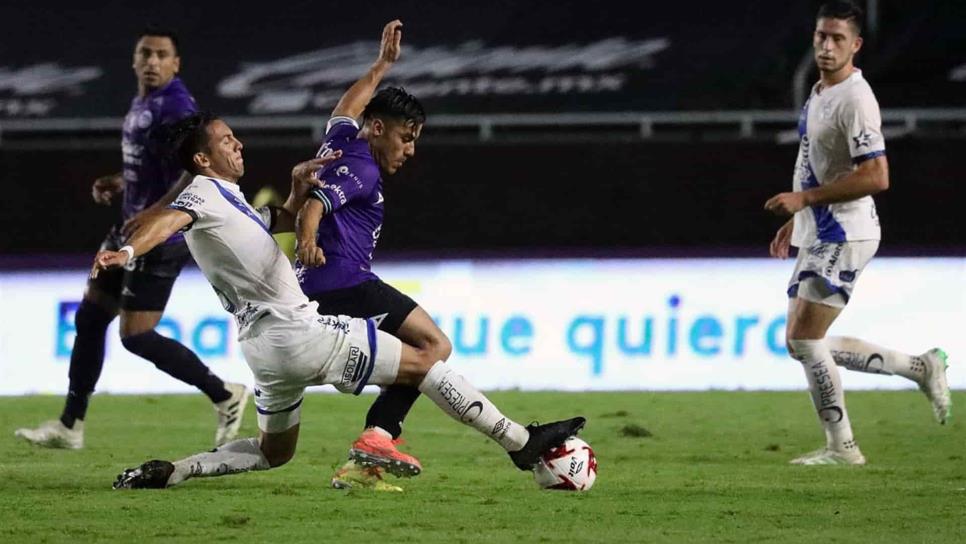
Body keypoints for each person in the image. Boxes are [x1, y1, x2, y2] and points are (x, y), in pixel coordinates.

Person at [104, 112, 585, 490]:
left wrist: (293, 196)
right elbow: (167, 220)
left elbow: (273, 220)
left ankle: (177, 470)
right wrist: (127, 251)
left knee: (275, 453)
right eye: (227, 141)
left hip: (263, 350)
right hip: (298, 332)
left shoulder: (227, 200)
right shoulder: (202, 194)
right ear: (203, 160)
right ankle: (521, 443)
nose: (239, 144)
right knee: (425, 358)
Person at [15, 28, 248, 450]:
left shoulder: (177, 105)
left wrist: (158, 211)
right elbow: (158, 164)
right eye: (146, 54)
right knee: (89, 318)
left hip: (158, 237)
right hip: (127, 225)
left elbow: (194, 169)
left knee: (136, 335)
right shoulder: (145, 101)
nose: (153, 62)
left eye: (162, 55)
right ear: (134, 60)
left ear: (176, 64)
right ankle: (70, 426)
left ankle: (225, 393)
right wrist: (123, 181)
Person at [764, 1, 951, 466]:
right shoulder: (820, 90)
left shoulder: (855, 100)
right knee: (800, 343)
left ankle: (843, 448)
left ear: (856, 45)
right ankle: (920, 367)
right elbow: (817, 164)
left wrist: (806, 202)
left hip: (846, 232)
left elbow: (877, 175)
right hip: (821, 228)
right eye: (821, 36)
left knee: (806, 341)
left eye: (838, 39)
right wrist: (799, 217)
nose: (827, 46)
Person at [294, 20, 453, 489]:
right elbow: (315, 204)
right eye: (406, 137)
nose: (410, 149)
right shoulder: (361, 169)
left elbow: (349, 104)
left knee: (406, 362)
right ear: (379, 129)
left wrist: (382, 66)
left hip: (322, 286)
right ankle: (378, 437)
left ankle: (367, 461)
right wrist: (306, 239)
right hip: (345, 283)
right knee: (434, 346)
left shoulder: (340, 139)